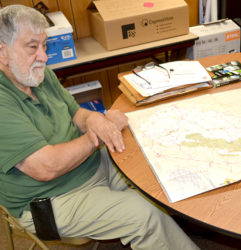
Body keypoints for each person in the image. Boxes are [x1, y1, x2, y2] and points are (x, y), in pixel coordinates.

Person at [0, 4, 200, 250]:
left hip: (90, 165)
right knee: (144, 216)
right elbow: (46, 167)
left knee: (156, 163)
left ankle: (182, 227)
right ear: (3, 52)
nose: (43, 56)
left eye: (44, 46)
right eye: (32, 47)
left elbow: (77, 114)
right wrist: (98, 135)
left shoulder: (36, 73)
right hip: (50, 199)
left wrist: (95, 120)